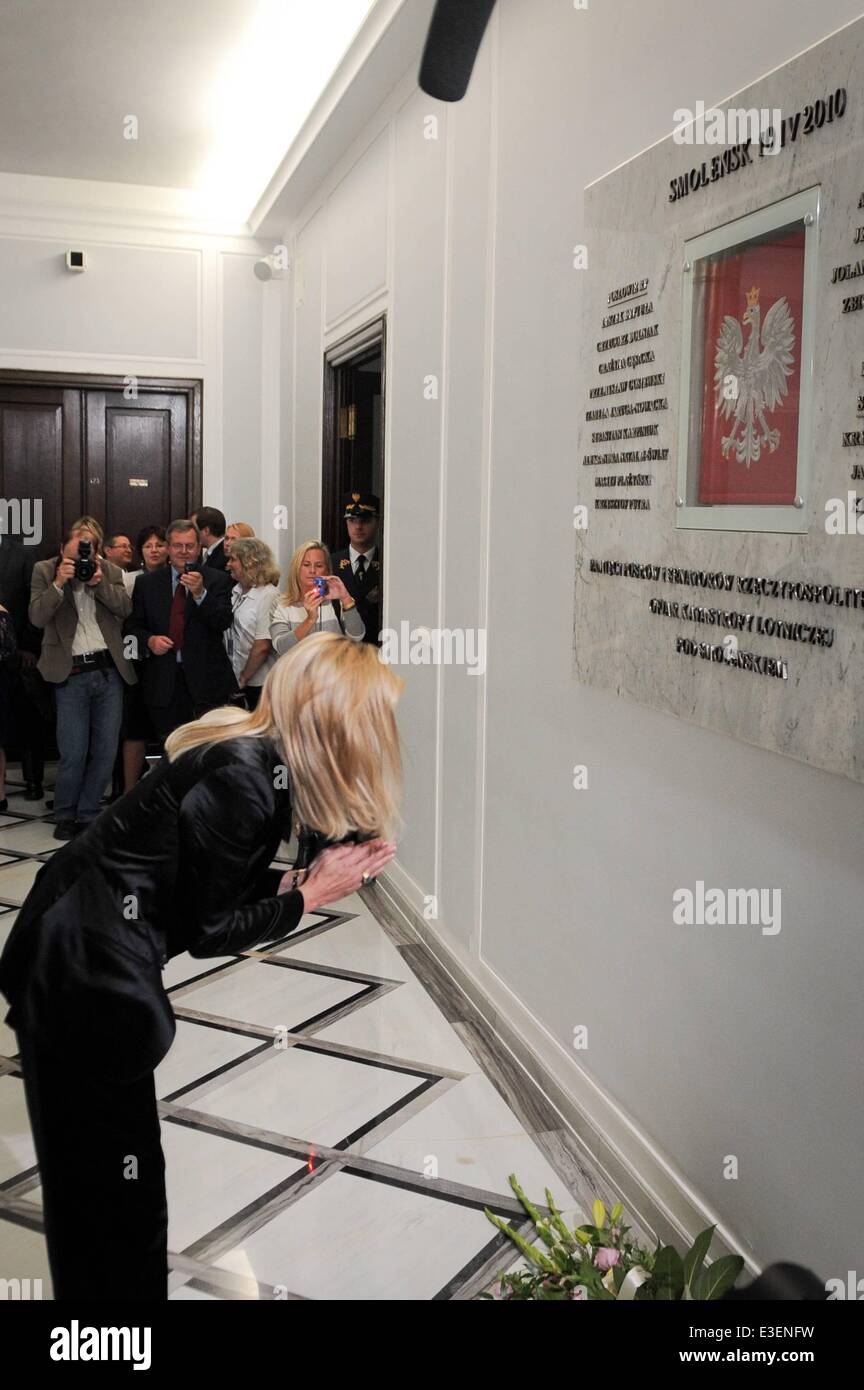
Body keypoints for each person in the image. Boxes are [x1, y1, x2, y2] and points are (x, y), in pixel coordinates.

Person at [0, 633, 401, 1300]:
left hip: (77, 959)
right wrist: (308, 896)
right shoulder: (245, 776)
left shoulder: (255, 762)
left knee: (107, 1187)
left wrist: (288, 890)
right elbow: (211, 933)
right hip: (79, 974)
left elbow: (195, 896)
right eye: (373, 717)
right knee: (107, 1196)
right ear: (336, 722)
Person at [29, 517, 135, 839]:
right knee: (73, 751)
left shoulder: (111, 572)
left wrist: (99, 583)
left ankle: (88, 813)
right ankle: (65, 813)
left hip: (108, 672)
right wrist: (59, 584)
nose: (82, 558)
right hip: (71, 673)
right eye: (77, 550)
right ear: (63, 549)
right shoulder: (45, 570)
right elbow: (36, 617)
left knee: (105, 751)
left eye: (89, 549)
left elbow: (125, 609)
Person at [124, 520, 237, 742]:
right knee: (173, 749)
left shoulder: (218, 580)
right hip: (163, 682)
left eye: (190, 546)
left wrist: (200, 594)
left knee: (206, 751)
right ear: (168, 547)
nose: (184, 552)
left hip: (207, 684)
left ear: (199, 547)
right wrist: (149, 641)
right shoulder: (147, 583)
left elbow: (223, 621)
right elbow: (131, 628)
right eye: (177, 546)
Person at [0, 530, 45, 799]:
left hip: (19, 654)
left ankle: (33, 781)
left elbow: (34, 603)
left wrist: (28, 647)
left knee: (29, 720)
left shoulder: (23, 553)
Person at [271, 540, 364, 654]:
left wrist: (345, 597)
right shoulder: (281, 604)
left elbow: (357, 636)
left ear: (327, 570)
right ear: (296, 568)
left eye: (319, 565)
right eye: (306, 565)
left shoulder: (336, 602)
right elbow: (281, 647)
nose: (312, 571)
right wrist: (310, 620)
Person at [226, 538, 280, 710]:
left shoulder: (268, 595)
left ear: (249, 562)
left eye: (233, 559)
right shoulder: (236, 591)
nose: (228, 564)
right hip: (238, 679)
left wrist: (243, 679)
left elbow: (263, 644)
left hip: (259, 682)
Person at [330, 491, 382, 646]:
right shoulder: (332, 563)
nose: (358, 526)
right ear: (346, 523)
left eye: (365, 520)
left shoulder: (386, 564)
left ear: (377, 522)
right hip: (341, 650)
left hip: (376, 649)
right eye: (352, 520)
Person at [193, 506, 230, 572]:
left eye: (194, 529)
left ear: (206, 531)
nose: (191, 533)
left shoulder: (226, 555)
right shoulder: (213, 553)